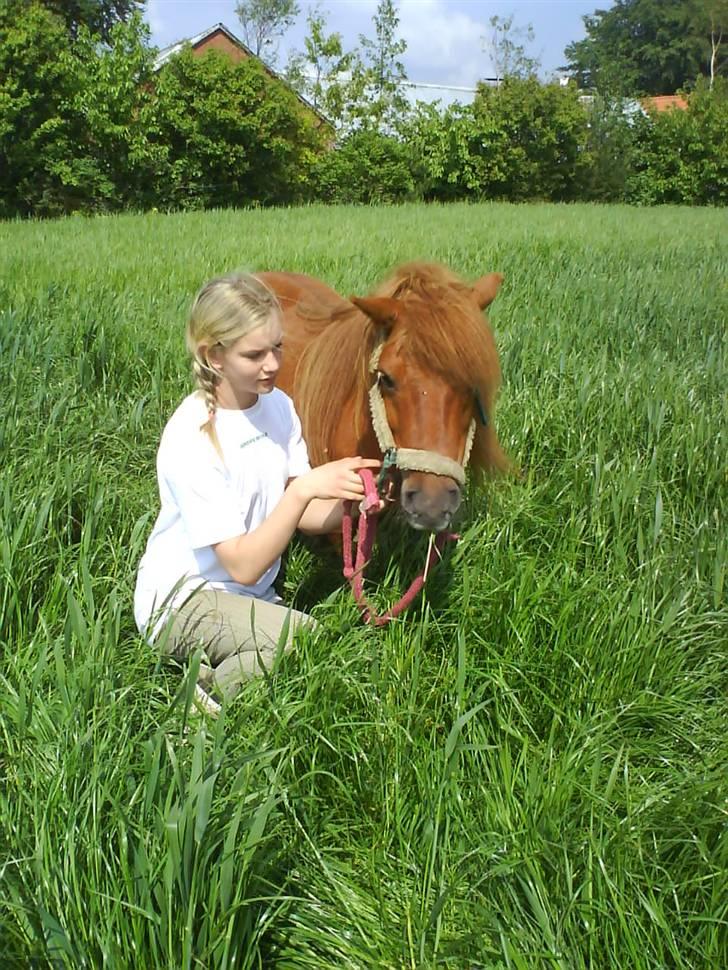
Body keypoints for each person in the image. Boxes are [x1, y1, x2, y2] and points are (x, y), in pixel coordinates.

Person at [134, 272, 379, 714]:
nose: (273, 364)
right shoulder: (193, 436)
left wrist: (356, 501)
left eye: (278, 347)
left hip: (245, 596)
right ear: (214, 356)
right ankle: (197, 709)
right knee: (303, 640)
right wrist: (304, 490)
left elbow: (301, 512)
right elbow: (244, 565)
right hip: (183, 599)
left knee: (292, 643)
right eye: (255, 354)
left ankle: (205, 674)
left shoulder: (278, 407)